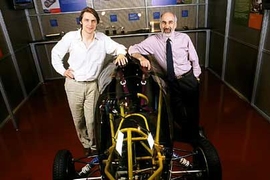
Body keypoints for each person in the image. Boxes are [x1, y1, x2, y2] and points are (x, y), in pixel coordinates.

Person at [51, 7, 127, 156]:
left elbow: (119, 47)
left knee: (92, 119)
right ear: (81, 21)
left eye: (93, 21)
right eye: (86, 20)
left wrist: (120, 54)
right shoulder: (71, 37)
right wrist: (63, 71)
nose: (90, 24)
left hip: (93, 85)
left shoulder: (102, 39)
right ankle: (85, 143)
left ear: (97, 23)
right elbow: (56, 53)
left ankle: (93, 146)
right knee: (78, 120)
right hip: (74, 85)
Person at [128, 12, 201, 143]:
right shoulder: (153, 40)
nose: (167, 26)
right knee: (175, 109)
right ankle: (183, 133)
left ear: (175, 24)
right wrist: (141, 58)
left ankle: (195, 137)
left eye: (170, 22)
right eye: (164, 22)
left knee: (192, 109)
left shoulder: (184, 38)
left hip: (187, 78)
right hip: (171, 81)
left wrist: (196, 77)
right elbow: (132, 49)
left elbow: (194, 59)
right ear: (160, 24)